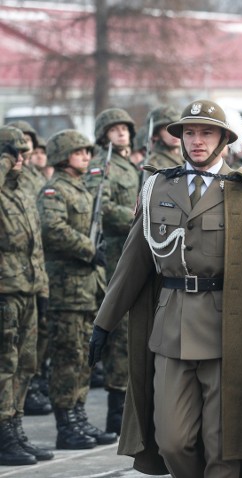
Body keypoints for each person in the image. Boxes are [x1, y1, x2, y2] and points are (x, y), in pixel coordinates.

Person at [87, 99, 242, 477]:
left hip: (230, 334)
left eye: (206, 133)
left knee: (222, 446)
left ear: (224, 139)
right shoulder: (156, 188)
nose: (197, 141)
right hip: (170, 329)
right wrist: (104, 323)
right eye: (189, 133)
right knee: (173, 441)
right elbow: (134, 262)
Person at [38, 129, 117, 450]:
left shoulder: (83, 189)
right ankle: (65, 422)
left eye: (87, 151)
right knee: (66, 357)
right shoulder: (54, 191)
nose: (87, 155)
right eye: (79, 151)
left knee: (84, 355)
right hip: (66, 289)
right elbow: (52, 228)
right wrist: (87, 247)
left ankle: (78, 415)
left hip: (87, 288)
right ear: (62, 156)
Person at [0, 126, 54, 465]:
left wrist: (43, 289)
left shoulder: (23, 191)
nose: (21, 158)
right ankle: (4, 433)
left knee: (26, 364)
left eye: (22, 152)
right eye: (13, 152)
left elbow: (37, 248)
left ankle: (15, 427)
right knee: (5, 364)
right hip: (5, 290)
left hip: (30, 289)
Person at [85, 107, 139, 435]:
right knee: (119, 334)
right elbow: (98, 208)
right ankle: (116, 412)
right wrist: (134, 215)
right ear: (103, 134)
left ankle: (129, 405)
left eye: (125, 128)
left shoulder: (129, 166)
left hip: (133, 253)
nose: (121, 134)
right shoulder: (100, 166)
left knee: (133, 334)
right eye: (114, 129)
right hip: (114, 257)